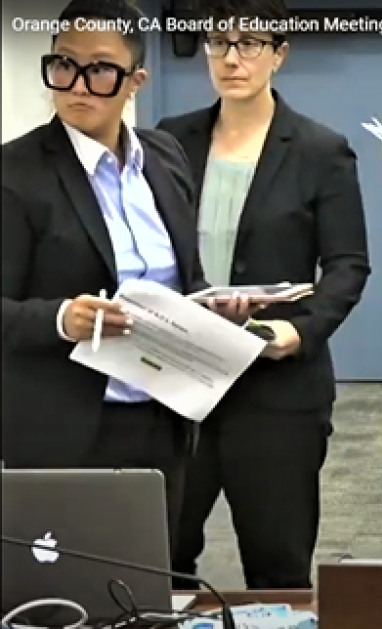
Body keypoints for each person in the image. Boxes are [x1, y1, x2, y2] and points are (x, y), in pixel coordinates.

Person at [0, 0, 250, 549]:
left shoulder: (164, 156)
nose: (78, 84)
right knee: (69, 593)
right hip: (64, 428)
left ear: (136, 79)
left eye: (100, 69)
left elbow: (185, 274)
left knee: (156, 577)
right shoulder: (15, 173)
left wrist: (213, 304)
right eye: (63, 64)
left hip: (163, 414)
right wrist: (62, 317)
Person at [157, 0, 370, 589]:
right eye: (218, 42)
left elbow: (349, 266)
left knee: (277, 566)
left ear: (280, 54)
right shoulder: (169, 142)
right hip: (181, 377)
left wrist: (297, 331)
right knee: (158, 556)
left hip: (276, 386)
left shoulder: (319, 149)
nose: (232, 57)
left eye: (250, 42)